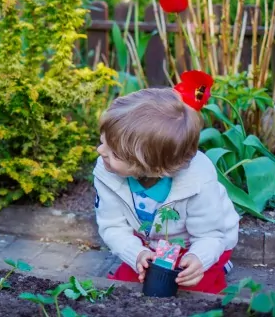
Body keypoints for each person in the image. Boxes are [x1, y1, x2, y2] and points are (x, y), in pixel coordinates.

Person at [94, 85, 239, 294]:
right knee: (129, 282)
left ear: (156, 168)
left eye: (114, 153)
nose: (101, 152)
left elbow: (210, 235)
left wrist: (199, 258)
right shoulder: (106, 172)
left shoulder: (197, 181)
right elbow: (112, 226)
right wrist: (137, 254)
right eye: (102, 141)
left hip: (197, 243)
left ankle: (218, 265)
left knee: (194, 286)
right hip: (151, 245)